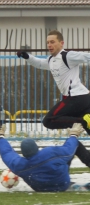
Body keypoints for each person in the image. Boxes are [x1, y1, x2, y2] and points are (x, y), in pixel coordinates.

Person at [17, 29, 90, 167]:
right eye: (47, 42)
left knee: (49, 121)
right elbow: (39, 63)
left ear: (61, 43)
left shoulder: (67, 56)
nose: (49, 45)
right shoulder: (51, 60)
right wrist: (27, 56)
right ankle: (82, 125)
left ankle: (81, 121)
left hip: (76, 98)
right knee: (72, 135)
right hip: (82, 100)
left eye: (52, 42)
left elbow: (87, 57)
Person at [0, 122, 87, 192]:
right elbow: (69, 150)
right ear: (36, 147)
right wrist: (73, 134)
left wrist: (0, 136)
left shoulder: (19, 165)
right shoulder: (50, 153)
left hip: (40, 189)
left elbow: (6, 153)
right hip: (62, 185)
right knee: (66, 155)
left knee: (62, 157)